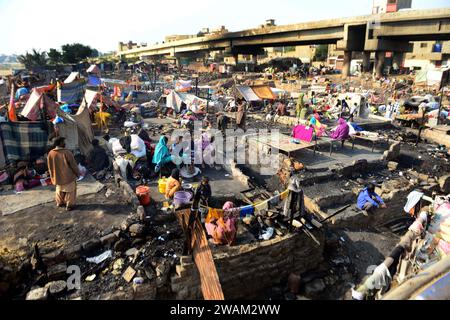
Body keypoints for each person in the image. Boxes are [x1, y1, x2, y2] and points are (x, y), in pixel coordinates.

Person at [47, 137, 80, 211]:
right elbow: (73, 165)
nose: (64, 143)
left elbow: (49, 166)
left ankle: (60, 202)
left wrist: (52, 175)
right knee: (70, 191)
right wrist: (77, 173)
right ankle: (69, 205)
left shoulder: (51, 153)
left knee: (59, 189)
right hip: (68, 176)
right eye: (63, 142)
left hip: (57, 176)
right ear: (60, 143)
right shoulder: (67, 152)